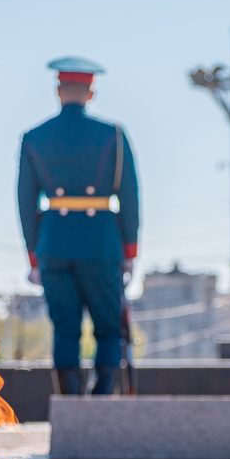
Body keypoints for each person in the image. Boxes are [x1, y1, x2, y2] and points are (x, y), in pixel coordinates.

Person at [17, 56, 140, 395]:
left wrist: (33, 256)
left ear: (58, 91)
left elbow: (25, 203)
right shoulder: (114, 135)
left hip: (54, 244)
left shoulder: (33, 137)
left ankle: (69, 402)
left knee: (65, 329)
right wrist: (130, 251)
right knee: (108, 328)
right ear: (91, 93)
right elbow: (130, 197)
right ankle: (101, 401)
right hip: (102, 243)